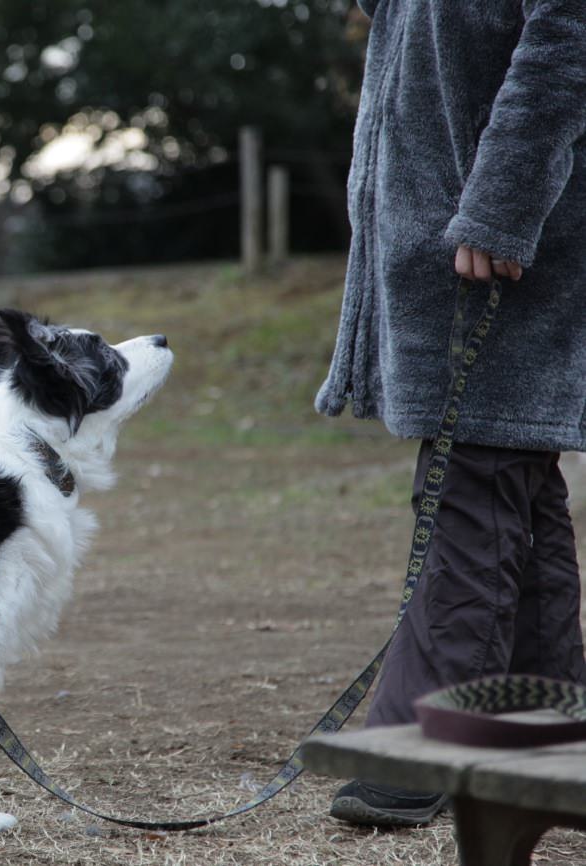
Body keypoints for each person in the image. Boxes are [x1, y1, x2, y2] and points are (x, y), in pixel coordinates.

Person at [315, 0, 586, 827]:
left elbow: (567, 39)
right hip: (448, 241)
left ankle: (425, 746)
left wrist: (503, 204)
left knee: (473, 483)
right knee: (514, 486)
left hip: (500, 243)